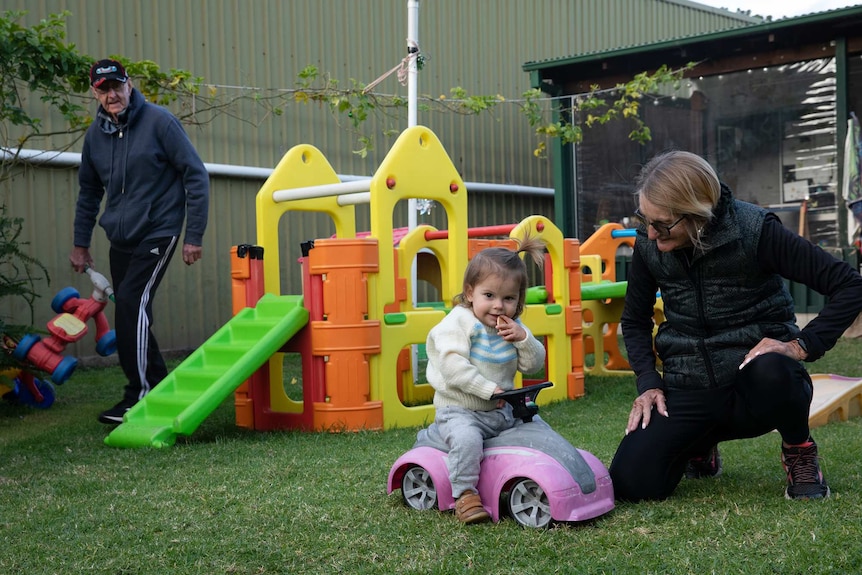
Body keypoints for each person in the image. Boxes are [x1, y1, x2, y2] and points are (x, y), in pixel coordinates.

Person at [610, 150, 862, 502]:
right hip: (689, 386)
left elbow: (851, 285)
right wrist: (648, 383)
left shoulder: (756, 230)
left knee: (775, 370)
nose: (651, 233)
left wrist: (800, 345)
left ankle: (799, 450)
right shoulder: (649, 244)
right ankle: (699, 445)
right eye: (645, 219)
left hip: (753, 388)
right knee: (631, 483)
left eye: (662, 224)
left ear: (697, 214)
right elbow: (634, 319)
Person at [70, 59, 210, 425]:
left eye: (117, 86)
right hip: (121, 235)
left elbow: (195, 175)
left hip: (159, 229)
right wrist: (80, 243)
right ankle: (158, 385)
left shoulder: (160, 122)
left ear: (129, 85)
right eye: (103, 89)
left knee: (132, 301)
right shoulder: (95, 136)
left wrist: (193, 235)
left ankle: (140, 395)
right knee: (132, 310)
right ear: (95, 93)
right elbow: (88, 192)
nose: (112, 94)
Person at [425, 235, 547, 523]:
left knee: (537, 424)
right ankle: (465, 494)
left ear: (519, 299)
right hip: (461, 410)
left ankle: (545, 469)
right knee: (467, 439)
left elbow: (533, 365)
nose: (498, 306)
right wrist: (488, 389)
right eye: (489, 296)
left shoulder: (513, 327)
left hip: (502, 409)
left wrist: (524, 339)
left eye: (508, 298)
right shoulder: (458, 323)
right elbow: (452, 366)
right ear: (470, 293)